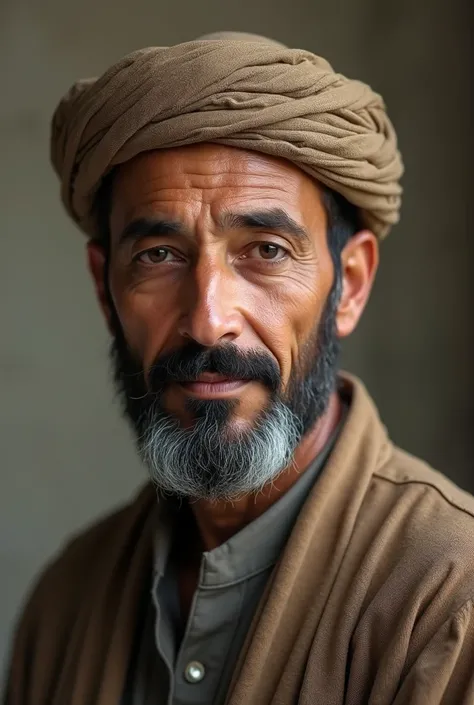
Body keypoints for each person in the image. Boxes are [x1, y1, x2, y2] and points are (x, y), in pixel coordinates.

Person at [4, 31, 474, 705]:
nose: (207, 318)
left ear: (351, 283)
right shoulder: (68, 601)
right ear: (105, 287)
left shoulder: (450, 599)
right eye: (159, 255)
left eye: (266, 251)